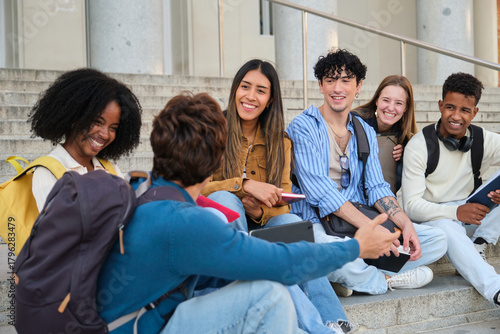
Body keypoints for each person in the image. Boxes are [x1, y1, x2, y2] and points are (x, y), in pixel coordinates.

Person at [96, 92, 401, 333]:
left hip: (145, 316)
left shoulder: (142, 189)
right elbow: (280, 263)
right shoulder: (184, 221)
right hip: (139, 327)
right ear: (214, 161)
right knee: (267, 295)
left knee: (245, 279)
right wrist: (357, 246)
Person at [201, 59, 352, 333]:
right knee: (226, 200)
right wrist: (244, 185)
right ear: (235, 89)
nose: (250, 96)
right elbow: (198, 189)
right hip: (224, 234)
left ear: (270, 100)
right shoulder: (213, 130)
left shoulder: (280, 141)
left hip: (260, 228)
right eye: (245, 87)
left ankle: (333, 320)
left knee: (291, 226)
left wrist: (259, 212)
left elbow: (283, 200)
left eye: (261, 90)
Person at [286, 48, 448, 297]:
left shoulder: (364, 130)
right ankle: (385, 280)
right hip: (316, 223)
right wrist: (373, 229)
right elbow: (321, 193)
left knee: (437, 239)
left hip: (356, 224)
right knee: (322, 251)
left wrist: (405, 224)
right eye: (330, 80)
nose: (337, 88)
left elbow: (377, 187)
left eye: (346, 80)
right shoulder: (304, 126)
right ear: (320, 85)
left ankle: (348, 276)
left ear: (359, 85)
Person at [401, 72, 500, 305]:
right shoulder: (419, 146)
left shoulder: (483, 139)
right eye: (449, 107)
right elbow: (411, 206)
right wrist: (455, 213)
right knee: (446, 225)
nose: (456, 116)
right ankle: (496, 290)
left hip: (470, 215)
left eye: (465, 110)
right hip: (433, 219)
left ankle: (477, 246)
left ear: (474, 112)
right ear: (440, 106)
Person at [29, 68, 142, 211]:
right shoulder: (47, 171)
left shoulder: (110, 169)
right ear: (74, 116)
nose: (105, 134)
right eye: (97, 122)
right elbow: (59, 229)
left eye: (113, 128)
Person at [353, 75, 418, 192]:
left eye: (398, 103)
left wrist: (406, 155)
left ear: (406, 107)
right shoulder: (355, 121)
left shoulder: (407, 137)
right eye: (386, 100)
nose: (391, 108)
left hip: (384, 196)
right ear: (377, 100)